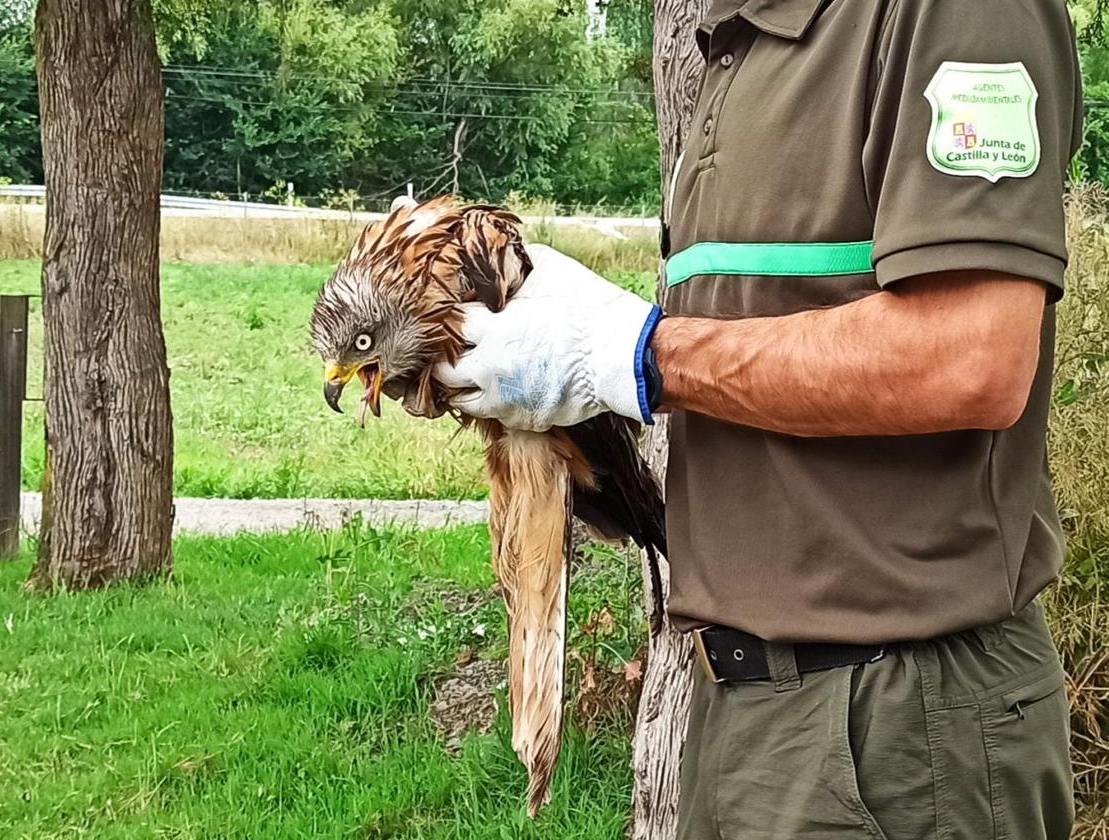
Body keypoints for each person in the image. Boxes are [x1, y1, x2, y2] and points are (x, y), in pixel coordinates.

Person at [433, 0, 1084, 837]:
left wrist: (643, 357)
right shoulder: (731, 39)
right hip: (741, 709)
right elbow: (757, 349)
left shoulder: (956, 13)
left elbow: (970, 357)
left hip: (897, 729)